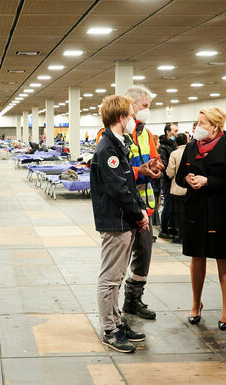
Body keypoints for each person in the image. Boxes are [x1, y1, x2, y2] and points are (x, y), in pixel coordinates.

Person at [176, 106, 226, 330]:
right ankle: (196, 304)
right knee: (197, 257)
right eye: (197, 122)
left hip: (219, 210)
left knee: (223, 258)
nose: (197, 127)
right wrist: (189, 179)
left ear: (215, 126)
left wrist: (208, 181)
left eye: (202, 123)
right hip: (195, 209)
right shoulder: (191, 147)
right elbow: (178, 177)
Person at [91, 94, 147, 353]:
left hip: (126, 221)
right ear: (121, 117)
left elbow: (129, 185)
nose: (134, 120)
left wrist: (141, 212)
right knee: (110, 277)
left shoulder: (118, 145)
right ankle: (109, 330)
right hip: (116, 222)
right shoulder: (107, 149)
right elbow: (118, 190)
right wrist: (137, 214)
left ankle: (116, 321)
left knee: (118, 275)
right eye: (131, 115)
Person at [120, 85, 165, 320]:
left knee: (144, 253)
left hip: (145, 206)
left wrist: (156, 168)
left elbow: (154, 159)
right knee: (119, 259)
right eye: (145, 106)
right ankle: (110, 309)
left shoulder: (146, 134)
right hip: (123, 207)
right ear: (132, 104)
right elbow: (115, 173)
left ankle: (133, 300)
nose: (148, 111)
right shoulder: (113, 133)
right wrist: (141, 170)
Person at [165, 133, 188, 243]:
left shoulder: (174, 154)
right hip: (189, 189)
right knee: (187, 213)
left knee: (178, 214)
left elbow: (170, 172)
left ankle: (180, 235)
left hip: (177, 189)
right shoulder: (191, 152)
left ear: (176, 143)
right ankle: (187, 235)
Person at [158, 123, 179, 240]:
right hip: (167, 180)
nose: (176, 133)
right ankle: (164, 228)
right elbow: (165, 165)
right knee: (168, 203)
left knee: (172, 205)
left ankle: (171, 226)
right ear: (168, 132)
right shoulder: (163, 147)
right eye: (175, 131)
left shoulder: (173, 145)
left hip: (173, 180)